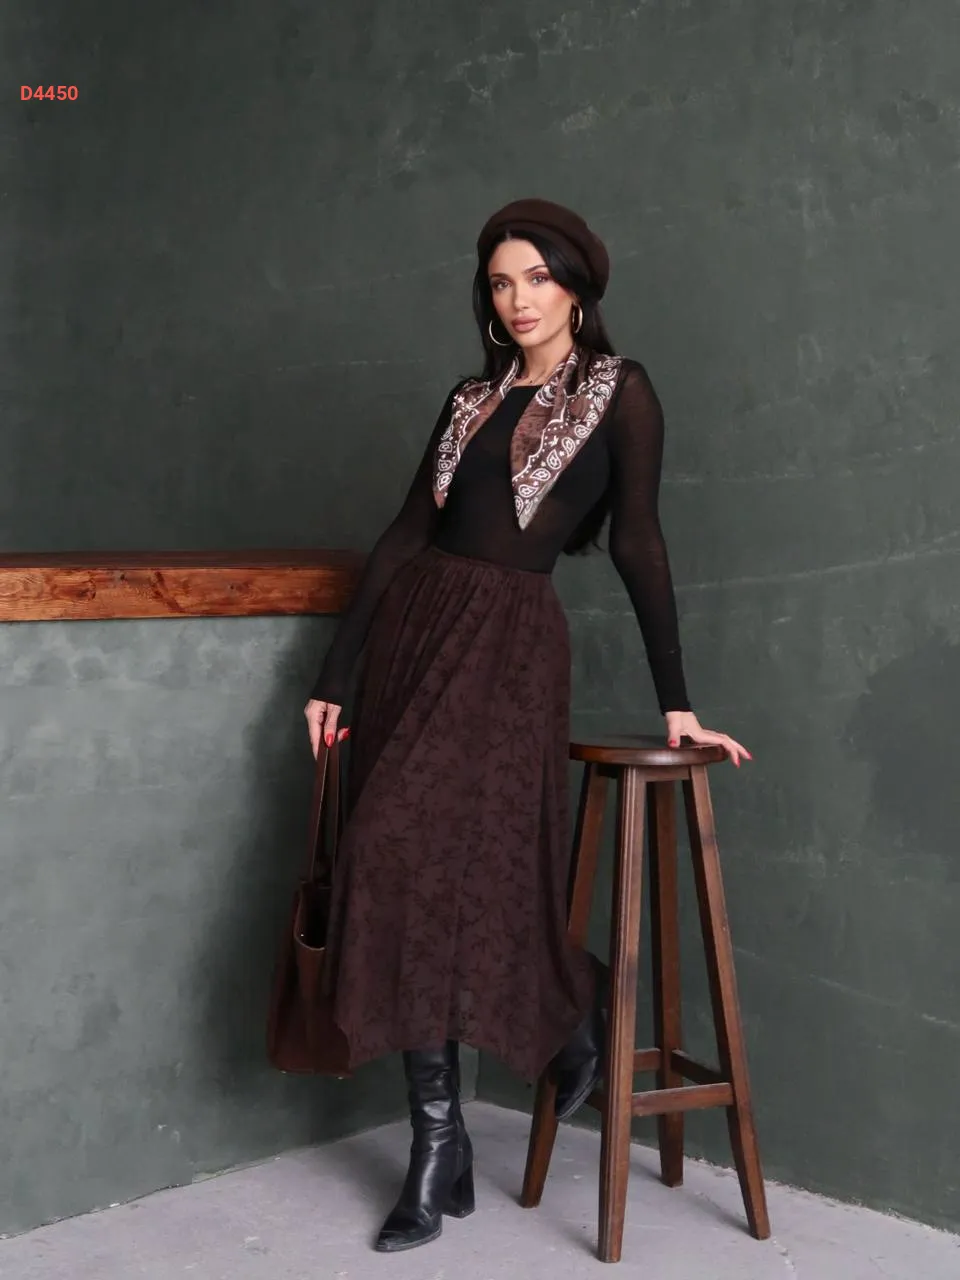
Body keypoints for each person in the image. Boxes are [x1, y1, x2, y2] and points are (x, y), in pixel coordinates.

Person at [302, 197, 752, 1253]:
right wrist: (336, 675)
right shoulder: (469, 398)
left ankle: (568, 1008)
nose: (519, 299)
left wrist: (678, 701)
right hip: (418, 638)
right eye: (501, 282)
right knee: (393, 857)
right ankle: (439, 1141)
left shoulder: (619, 391)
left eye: (537, 278)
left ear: (576, 286)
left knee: (485, 867)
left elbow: (638, 542)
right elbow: (405, 533)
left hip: (510, 648)